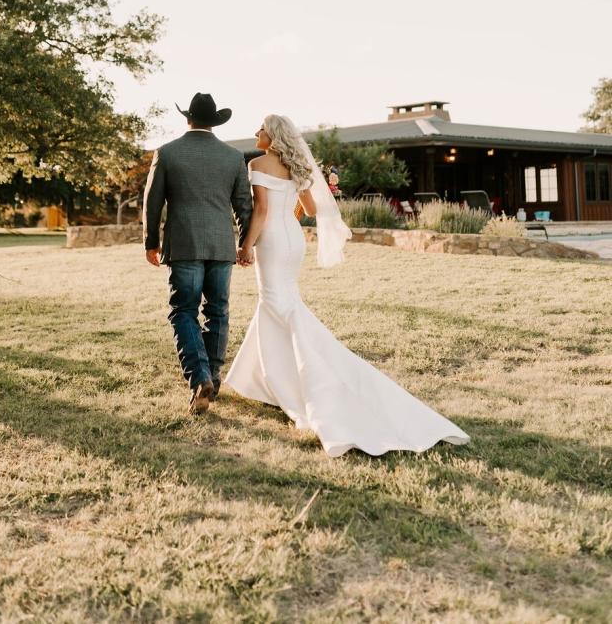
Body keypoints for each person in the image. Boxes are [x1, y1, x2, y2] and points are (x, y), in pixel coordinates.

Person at [224, 114, 469, 456]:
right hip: (294, 240)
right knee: (281, 302)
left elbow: (262, 210)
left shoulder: (257, 163)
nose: (256, 132)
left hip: (271, 240)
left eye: (260, 128)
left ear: (272, 134)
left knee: (276, 303)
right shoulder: (297, 166)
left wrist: (246, 244)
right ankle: (257, 378)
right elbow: (308, 208)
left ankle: (291, 381)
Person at [143, 92, 253, 415]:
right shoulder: (233, 157)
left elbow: (152, 203)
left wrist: (151, 241)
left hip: (184, 245)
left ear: (187, 119)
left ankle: (200, 377)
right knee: (218, 312)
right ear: (214, 121)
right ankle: (212, 381)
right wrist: (245, 243)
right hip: (221, 246)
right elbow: (244, 207)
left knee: (183, 311)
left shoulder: (167, 153)